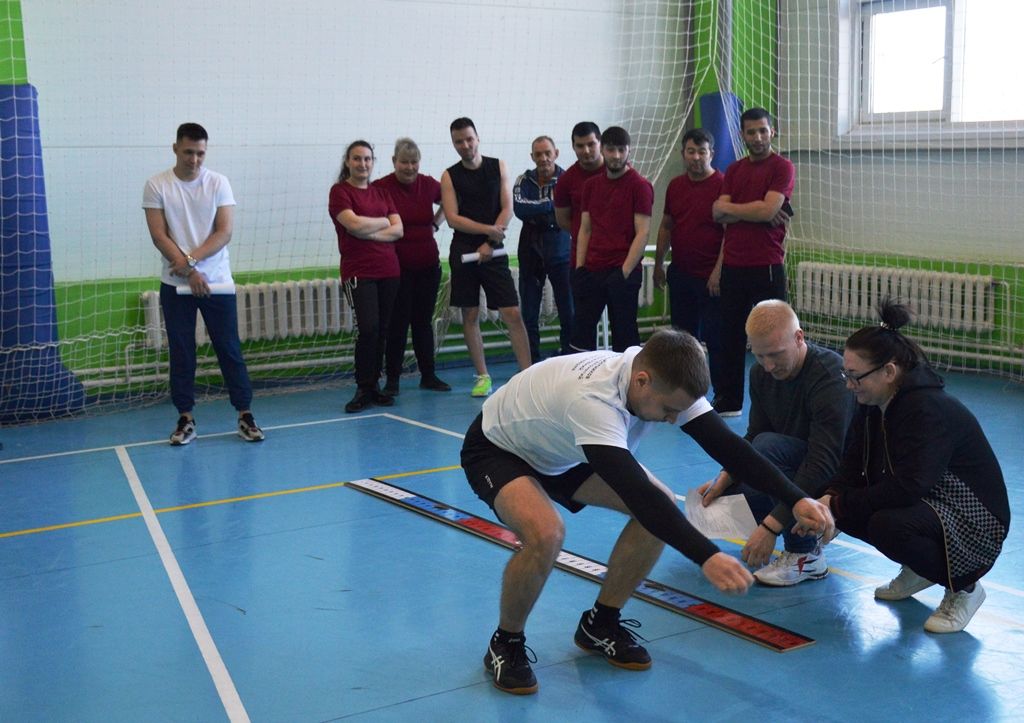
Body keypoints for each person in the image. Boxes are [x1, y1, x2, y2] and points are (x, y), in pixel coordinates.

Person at [461, 329, 835, 695]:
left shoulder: (667, 376)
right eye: (669, 411)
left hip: (564, 446)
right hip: (501, 449)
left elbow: (731, 449)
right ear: (642, 381)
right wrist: (707, 557)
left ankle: (600, 623)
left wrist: (797, 498)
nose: (674, 420)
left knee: (658, 507)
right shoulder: (593, 402)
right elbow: (640, 497)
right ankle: (505, 642)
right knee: (546, 533)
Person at [817, 300, 1009, 633]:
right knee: (847, 509)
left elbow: (910, 486)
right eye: (845, 375)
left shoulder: (926, 409)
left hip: (974, 518)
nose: (849, 384)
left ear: (889, 372)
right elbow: (852, 461)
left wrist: (837, 504)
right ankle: (921, 568)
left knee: (886, 525)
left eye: (854, 376)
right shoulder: (873, 400)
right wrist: (830, 500)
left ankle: (965, 587)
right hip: (932, 501)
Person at [699, 300, 853, 586]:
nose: (768, 365)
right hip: (791, 472)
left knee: (768, 446)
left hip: (835, 483)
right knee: (720, 506)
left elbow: (824, 461)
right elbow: (753, 436)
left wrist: (771, 526)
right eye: (759, 356)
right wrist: (724, 477)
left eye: (776, 354)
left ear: (799, 338)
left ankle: (805, 556)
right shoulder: (760, 374)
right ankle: (801, 531)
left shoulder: (829, 375)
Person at [143, 122, 265, 445]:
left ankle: (245, 414)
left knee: (229, 348)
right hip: (175, 284)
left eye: (200, 153)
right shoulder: (157, 185)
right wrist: (187, 272)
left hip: (217, 284)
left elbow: (224, 232)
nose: (194, 160)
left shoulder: (219, 183)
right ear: (175, 149)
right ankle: (185, 418)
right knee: (182, 352)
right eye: (188, 152)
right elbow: (159, 235)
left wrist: (193, 264)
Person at [711, 108, 795, 417]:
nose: (757, 137)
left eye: (763, 130)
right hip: (734, 266)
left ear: (772, 132)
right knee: (729, 337)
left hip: (767, 267)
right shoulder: (733, 170)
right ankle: (729, 401)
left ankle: (780, 404)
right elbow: (717, 212)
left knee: (775, 339)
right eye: (751, 132)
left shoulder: (782, 167)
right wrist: (759, 210)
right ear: (743, 135)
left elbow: (762, 209)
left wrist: (737, 209)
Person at [440, 117, 531, 397]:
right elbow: (453, 218)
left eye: (469, 139)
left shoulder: (498, 166)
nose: (465, 145)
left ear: (477, 138)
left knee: (512, 313)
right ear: (454, 144)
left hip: (495, 249)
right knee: (470, 314)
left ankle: (528, 376)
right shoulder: (449, 175)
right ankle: (482, 376)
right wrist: (486, 233)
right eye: (459, 141)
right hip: (464, 251)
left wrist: (490, 241)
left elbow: (507, 209)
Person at [328, 140, 404, 413]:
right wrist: (382, 223)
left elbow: (398, 230)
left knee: (383, 329)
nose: (363, 164)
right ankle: (363, 387)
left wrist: (370, 231)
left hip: (389, 271)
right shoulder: (340, 192)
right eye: (357, 159)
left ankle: (375, 386)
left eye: (368, 159)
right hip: (359, 272)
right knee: (368, 329)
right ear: (348, 162)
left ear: (373, 162)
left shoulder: (382, 193)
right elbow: (352, 224)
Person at [373, 138, 451, 395]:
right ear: (394, 161)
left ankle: (428, 375)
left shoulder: (428, 184)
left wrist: (437, 223)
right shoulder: (381, 188)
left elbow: (450, 202)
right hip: (396, 269)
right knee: (397, 324)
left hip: (428, 266)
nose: (409, 167)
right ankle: (392, 380)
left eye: (414, 162)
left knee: (423, 323)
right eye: (404, 162)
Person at [653, 128, 726, 400]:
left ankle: (720, 395)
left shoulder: (723, 185)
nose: (696, 157)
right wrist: (659, 263)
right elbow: (666, 226)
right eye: (691, 152)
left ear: (712, 154)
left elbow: (729, 234)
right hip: (681, 273)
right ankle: (684, 393)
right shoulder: (675, 186)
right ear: (683, 154)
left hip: (711, 278)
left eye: (702, 151)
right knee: (682, 341)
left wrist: (719, 271)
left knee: (716, 340)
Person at [570, 126, 653, 352]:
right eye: (610, 149)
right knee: (580, 337)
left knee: (625, 339)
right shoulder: (591, 186)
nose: (616, 155)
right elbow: (585, 229)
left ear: (629, 151)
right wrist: (579, 268)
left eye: (621, 149)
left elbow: (643, 233)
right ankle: (582, 386)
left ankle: (626, 387)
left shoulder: (641, 186)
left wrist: (623, 272)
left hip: (623, 273)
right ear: (603, 150)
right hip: (592, 270)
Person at [512, 136, 574, 362]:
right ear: (532, 157)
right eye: (538, 154)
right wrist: (553, 205)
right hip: (530, 247)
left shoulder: (567, 178)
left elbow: (571, 208)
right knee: (529, 313)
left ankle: (569, 360)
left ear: (556, 153)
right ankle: (531, 365)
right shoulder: (523, 179)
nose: (543, 158)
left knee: (569, 311)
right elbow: (519, 209)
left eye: (547, 153)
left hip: (560, 245)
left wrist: (543, 210)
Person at [554, 121, 604, 285]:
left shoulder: (621, 173)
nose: (586, 151)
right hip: (583, 261)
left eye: (591, 144)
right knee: (584, 311)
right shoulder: (565, 181)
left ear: (600, 142)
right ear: (573, 147)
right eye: (580, 146)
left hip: (618, 261)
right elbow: (563, 221)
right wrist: (587, 233)